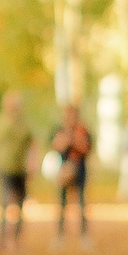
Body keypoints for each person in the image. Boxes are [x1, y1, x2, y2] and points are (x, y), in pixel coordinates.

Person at [0, 90, 34, 251]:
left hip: (21, 170)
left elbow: (33, 146)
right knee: (5, 204)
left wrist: (33, 164)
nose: (13, 107)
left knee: (19, 206)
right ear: (5, 105)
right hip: (3, 169)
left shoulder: (25, 125)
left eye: (16, 104)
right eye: (11, 104)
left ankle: (16, 240)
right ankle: (3, 240)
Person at [52, 101, 93, 245]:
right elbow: (56, 145)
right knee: (62, 203)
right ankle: (60, 234)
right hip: (63, 170)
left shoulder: (83, 131)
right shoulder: (60, 130)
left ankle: (84, 235)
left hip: (80, 170)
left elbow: (86, 148)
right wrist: (68, 138)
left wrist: (75, 140)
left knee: (81, 203)